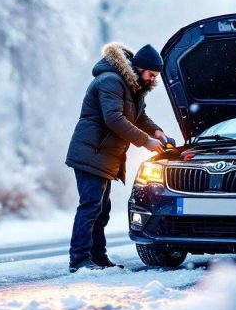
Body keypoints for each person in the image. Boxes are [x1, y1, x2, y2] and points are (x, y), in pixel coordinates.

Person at [64, 42, 169, 273]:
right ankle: (79, 260)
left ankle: (98, 258)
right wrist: (145, 141)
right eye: (151, 74)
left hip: (104, 156)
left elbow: (139, 117)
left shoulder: (131, 86)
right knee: (91, 207)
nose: (152, 79)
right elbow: (114, 118)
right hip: (91, 152)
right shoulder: (110, 81)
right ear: (139, 68)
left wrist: (156, 131)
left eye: (156, 76)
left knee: (101, 210)